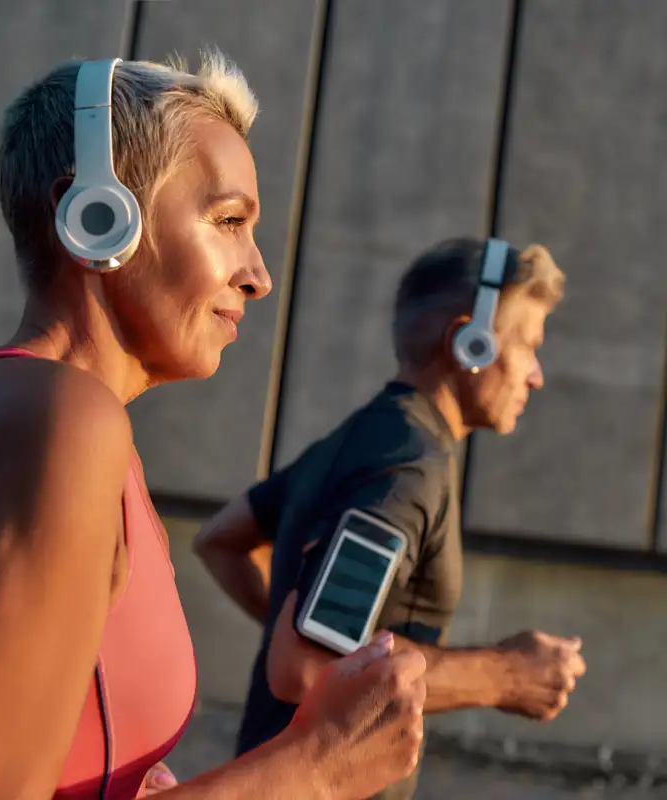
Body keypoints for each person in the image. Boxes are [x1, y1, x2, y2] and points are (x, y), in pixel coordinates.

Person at [0, 54, 428, 800]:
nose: (258, 276)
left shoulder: (59, 422)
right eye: (228, 222)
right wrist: (314, 769)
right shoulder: (51, 425)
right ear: (95, 216)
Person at [194, 237, 588, 799]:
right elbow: (308, 666)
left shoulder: (363, 437)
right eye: (528, 346)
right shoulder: (407, 468)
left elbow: (221, 539)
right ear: (469, 341)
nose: (536, 375)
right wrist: (508, 676)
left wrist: (308, 624)